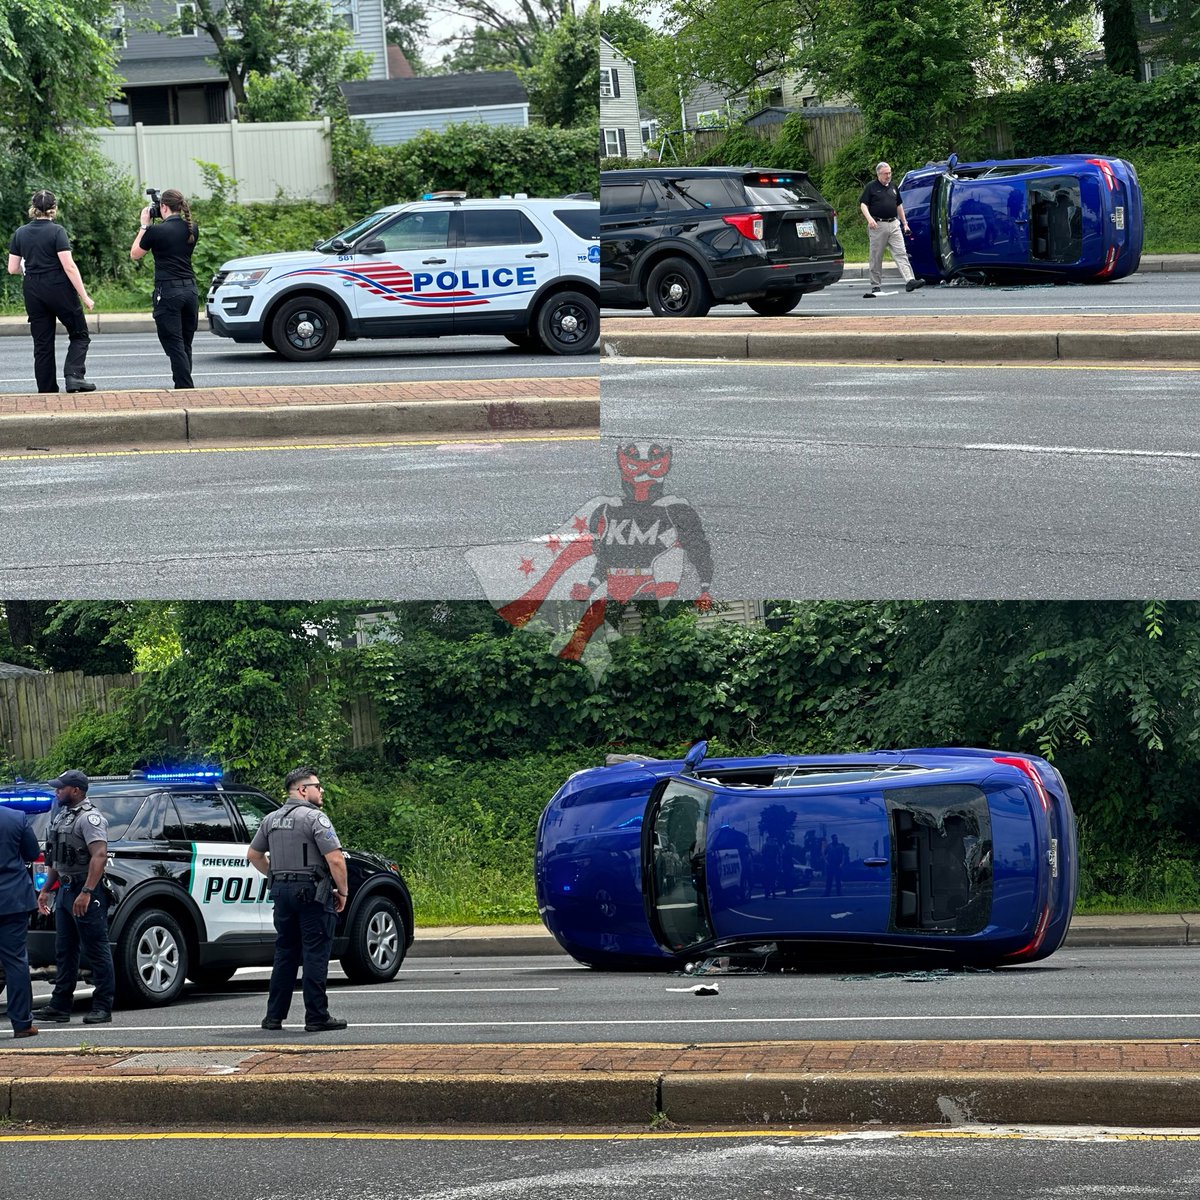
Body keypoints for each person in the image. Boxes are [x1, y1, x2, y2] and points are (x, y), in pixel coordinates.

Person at [248, 767, 349, 1033]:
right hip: (312, 893)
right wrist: (343, 892)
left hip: (281, 893)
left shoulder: (270, 819)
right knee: (315, 953)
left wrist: (275, 875)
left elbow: (254, 855)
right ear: (303, 790)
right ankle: (317, 1016)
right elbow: (336, 859)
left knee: (285, 953)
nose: (322, 790)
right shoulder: (315, 819)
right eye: (318, 786)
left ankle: (273, 1017)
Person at [33, 770, 116, 1024]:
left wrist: (87, 892)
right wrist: (46, 889)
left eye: (62, 787)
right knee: (64, 951)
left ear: (77, 790)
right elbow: (57, 859)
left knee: (96, 949)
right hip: (66, 891)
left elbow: (99, 855)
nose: (57, 791)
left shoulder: (90, 819)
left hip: (85, 890)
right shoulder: (63, 817)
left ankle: (102, 1006)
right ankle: (60, 1005)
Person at [6, 190, 96, 393]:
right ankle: (74, 376)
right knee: (80, 334)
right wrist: (85, 297)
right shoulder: (57, 231)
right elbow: (69, 267)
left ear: (33, 208)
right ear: (54, 209)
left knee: (42, 343)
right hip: (58, 289)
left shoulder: (20, 233)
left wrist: (29, 269)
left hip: (33, 291)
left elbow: (12, 268)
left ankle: (46, 391)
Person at [130, 188, 200, 389]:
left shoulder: (156, 231)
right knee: (185, 344)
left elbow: (135, 254)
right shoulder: (192, 228)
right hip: (190, 291)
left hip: (168, 292)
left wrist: (144, 226)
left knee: (173, 343)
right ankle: (184, 386)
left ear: (163, 207)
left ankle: (185, 388)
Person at [0, 800, 40, 1038]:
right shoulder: (16, 817)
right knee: (15, 961)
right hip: (12, 898)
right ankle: (22, 1023)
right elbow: (33, 853)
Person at [858, 162, 925, 297]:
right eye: (885, 173)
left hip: (894, 224)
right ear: (878, 174)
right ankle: (876, 285)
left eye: (889, 173)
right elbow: (863, 204)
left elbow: (899, 205)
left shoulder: (893, 187)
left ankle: (909, 280)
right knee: (876, 256)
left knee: (901, 253)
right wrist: (869, 219)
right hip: (878, 225)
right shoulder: (871, 187)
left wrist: (904, 223)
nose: (888, 176)